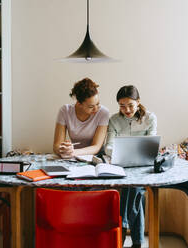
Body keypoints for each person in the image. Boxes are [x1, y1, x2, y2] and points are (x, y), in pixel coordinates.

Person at [104, 85, 157, 248]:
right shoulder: (114, 120)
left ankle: (123, 228)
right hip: (120, 164)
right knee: (135, 192)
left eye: (130, 105)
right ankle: (137, 242)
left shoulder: (150, 118)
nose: (126, 110)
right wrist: (119, 152)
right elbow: (108, 146)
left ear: (138, 102)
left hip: (142, 166)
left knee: (133, 188)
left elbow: (151, 145)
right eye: (122, 105)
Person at [53, 78, 109, 158]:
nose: (96, 109)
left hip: (96, 157)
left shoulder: (103, 113)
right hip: (75, 157)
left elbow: (96, 147)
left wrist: (73, 152)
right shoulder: (65, 111)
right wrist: (63, 149)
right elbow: (56, 146)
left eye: (98, 103)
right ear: (79, 104)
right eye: (91, 106)